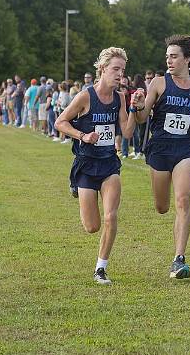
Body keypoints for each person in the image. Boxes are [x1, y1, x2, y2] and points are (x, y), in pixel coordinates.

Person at [131, 35, 190, 279]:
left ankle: (178, 259)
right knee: (162, 207)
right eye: (167, 56)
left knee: (183, 200)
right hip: (159, 149)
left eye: (174, 56)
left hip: (184, 149)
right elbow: (141, 119)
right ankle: (175, 247)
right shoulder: (159, 83)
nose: (169, 60)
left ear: (187, 59)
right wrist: (138, 106)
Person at [55, 47, 137, 285]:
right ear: (102, 69)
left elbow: (129, 131)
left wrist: (134, 108)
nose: (120, 74)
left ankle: (101, 268)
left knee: (111, 217)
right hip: (86, 164)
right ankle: (75, 185)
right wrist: (83, 135)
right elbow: (61, 122)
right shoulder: (85, 97)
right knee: (92, 226)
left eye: (122, 70)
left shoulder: (120, 98)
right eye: (115, 69)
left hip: (110, 164)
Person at [132, 74, 148, 160]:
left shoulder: (138, 90)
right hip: (140, 111)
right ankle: (139, 151)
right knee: (140, 133)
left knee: (142, 133)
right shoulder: (143, 90)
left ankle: (142, 152)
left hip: (142, 112)